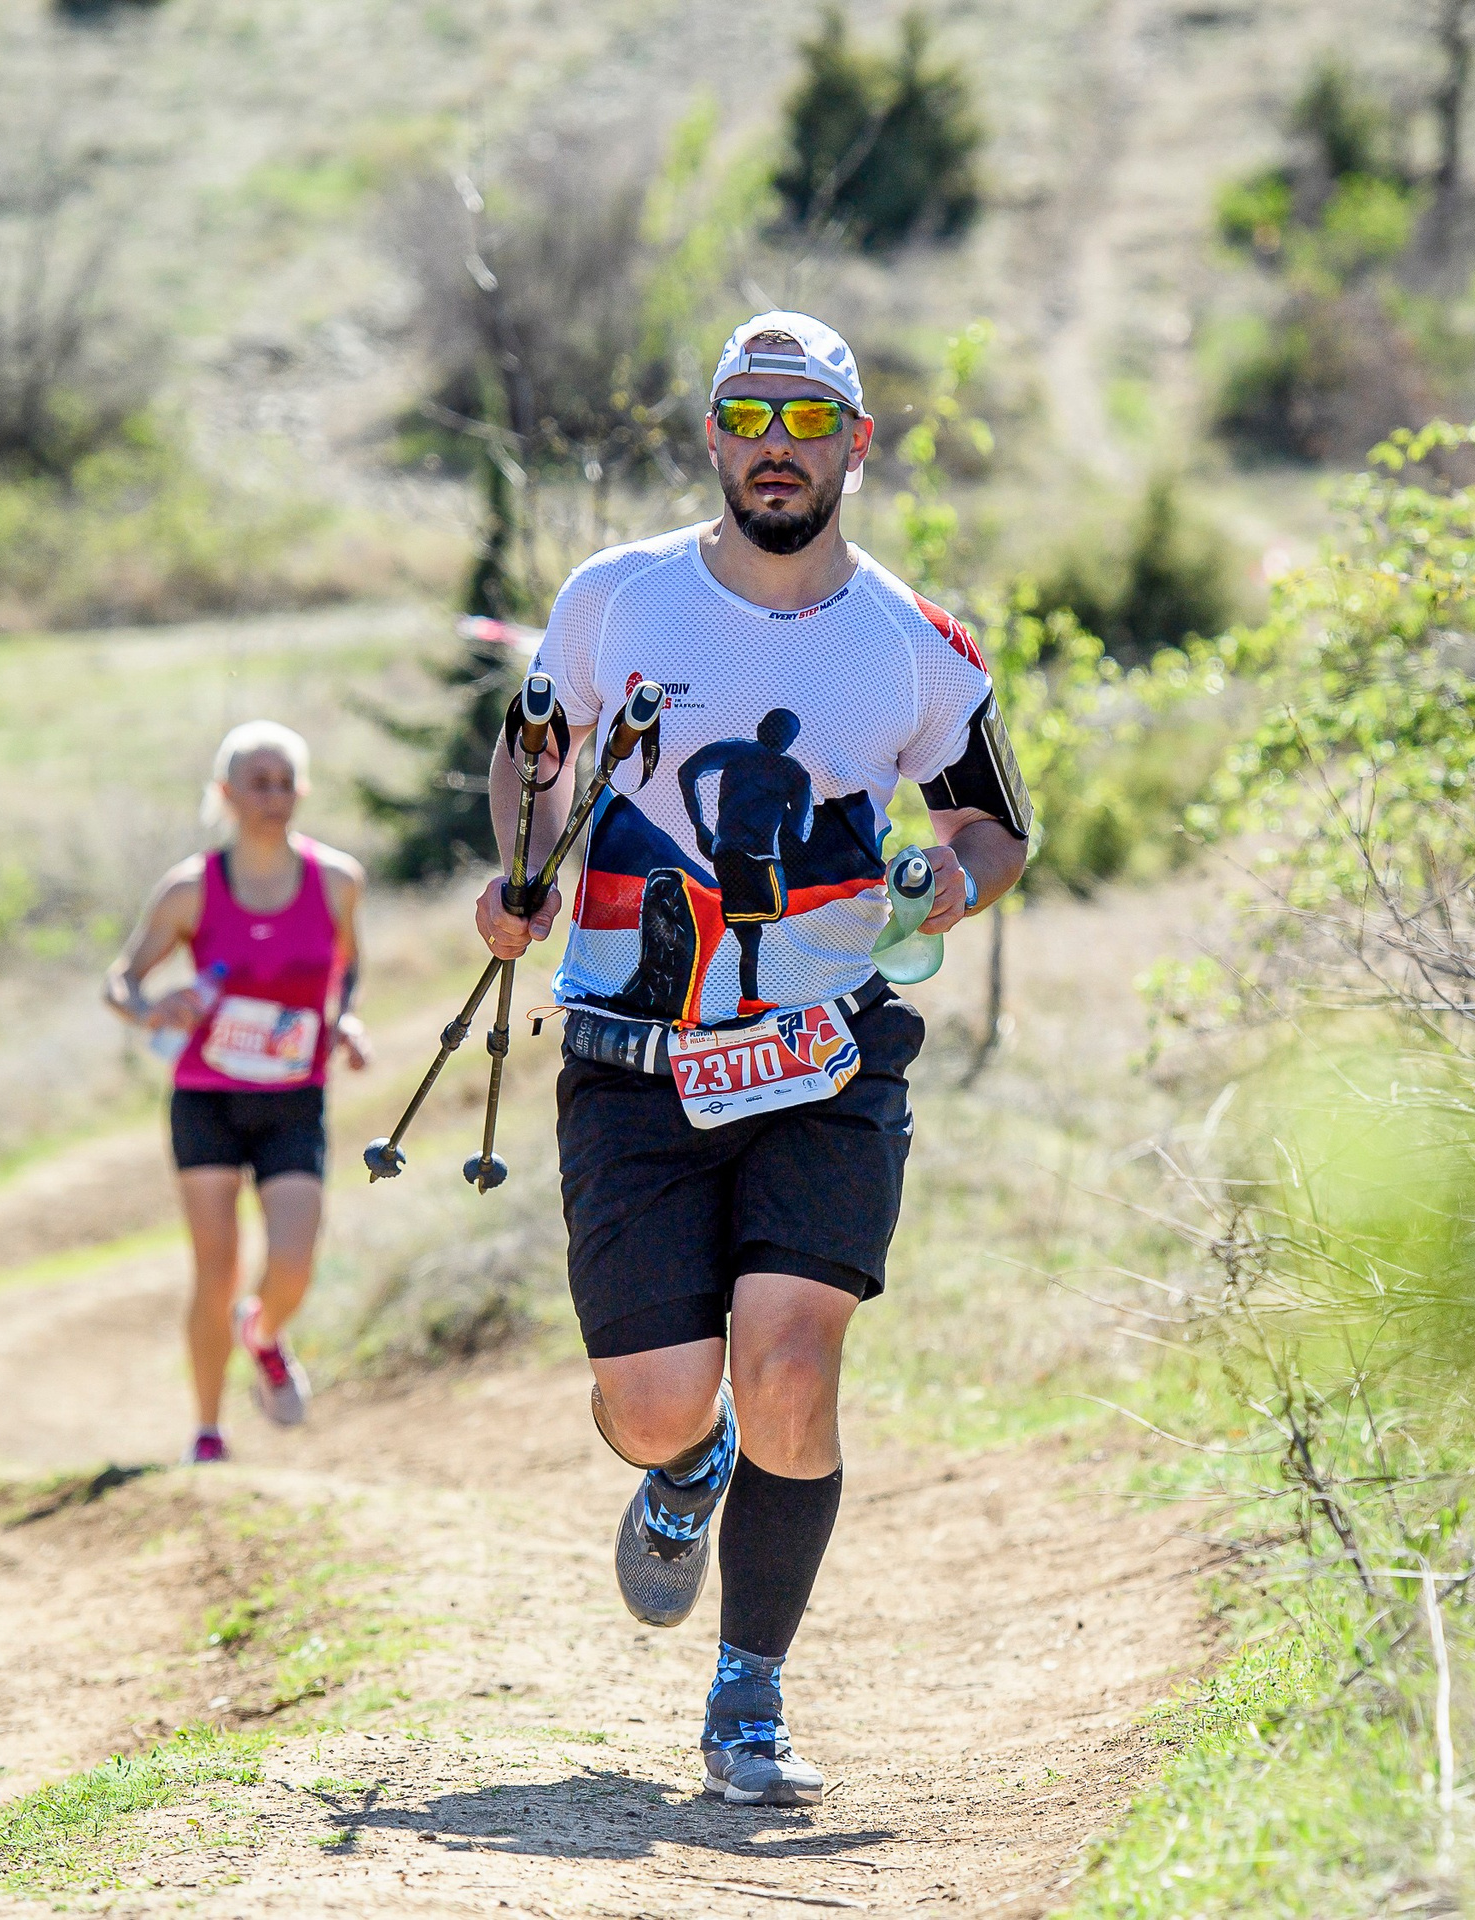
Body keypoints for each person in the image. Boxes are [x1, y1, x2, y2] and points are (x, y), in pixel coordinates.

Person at [473, 312, 1034, 1805]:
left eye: (806, 421)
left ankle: (751, 1695)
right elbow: (536, 758)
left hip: (829, 1054)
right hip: (633, 1050)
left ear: (856, 445)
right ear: (712, 439)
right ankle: (680, 1465)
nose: (774, 448)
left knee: (792, 1366)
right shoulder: (617, 600)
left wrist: (942, 889)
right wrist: (521, 869)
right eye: (746, 417)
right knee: (662, 1401)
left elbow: (994, 824)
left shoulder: (914, 644)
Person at [106, 721, 370, 1462]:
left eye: (286, 783)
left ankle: (263, 1333)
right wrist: (149, 1008)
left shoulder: (337, 880)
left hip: (294, 1093)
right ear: (225, 795)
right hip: (207, 1098)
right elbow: (119, 981)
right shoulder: (191, 889)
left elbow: (346, 966)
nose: (274, 797)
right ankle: (207, 1429)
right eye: (258, 783)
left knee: (294, 1260)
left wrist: (344, 1019)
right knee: (214, 1268)